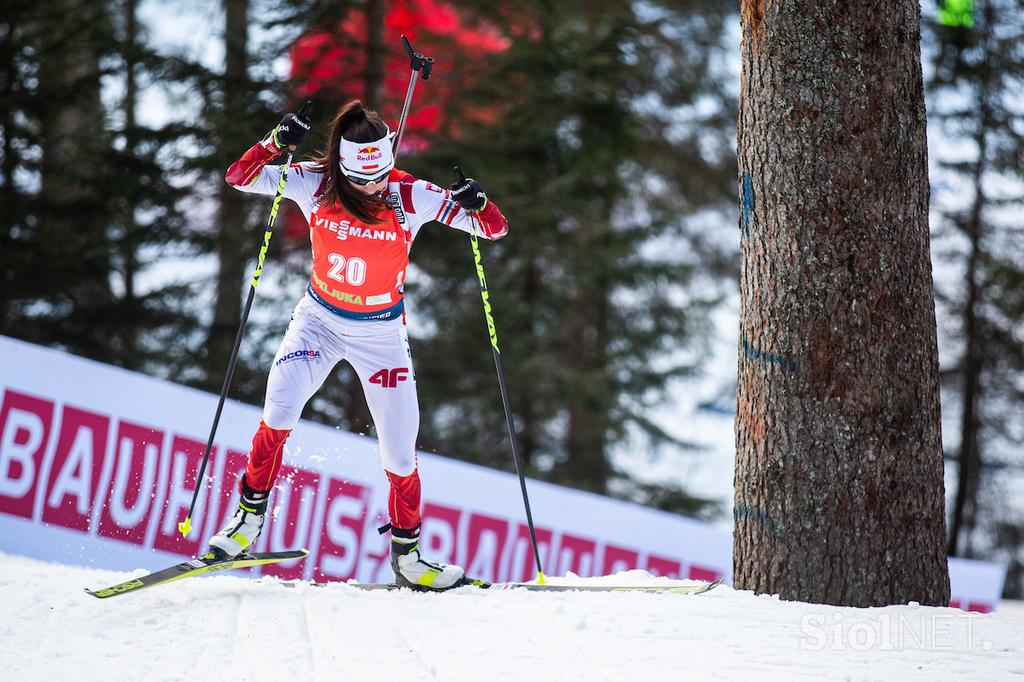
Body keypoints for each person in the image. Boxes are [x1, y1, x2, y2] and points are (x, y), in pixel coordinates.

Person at [206, 100, 509, 590]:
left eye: (380, 177)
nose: (372, 188)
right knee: (279, 410)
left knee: (399, 453)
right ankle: (247, 522)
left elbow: (493, 229)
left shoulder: (411, 194)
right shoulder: (315, 181)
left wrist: (480, 203)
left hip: (380, 337)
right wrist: (275, 143)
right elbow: (239, 177)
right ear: (341, 166)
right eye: (360, 179)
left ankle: (409, 560)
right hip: (318, 323)